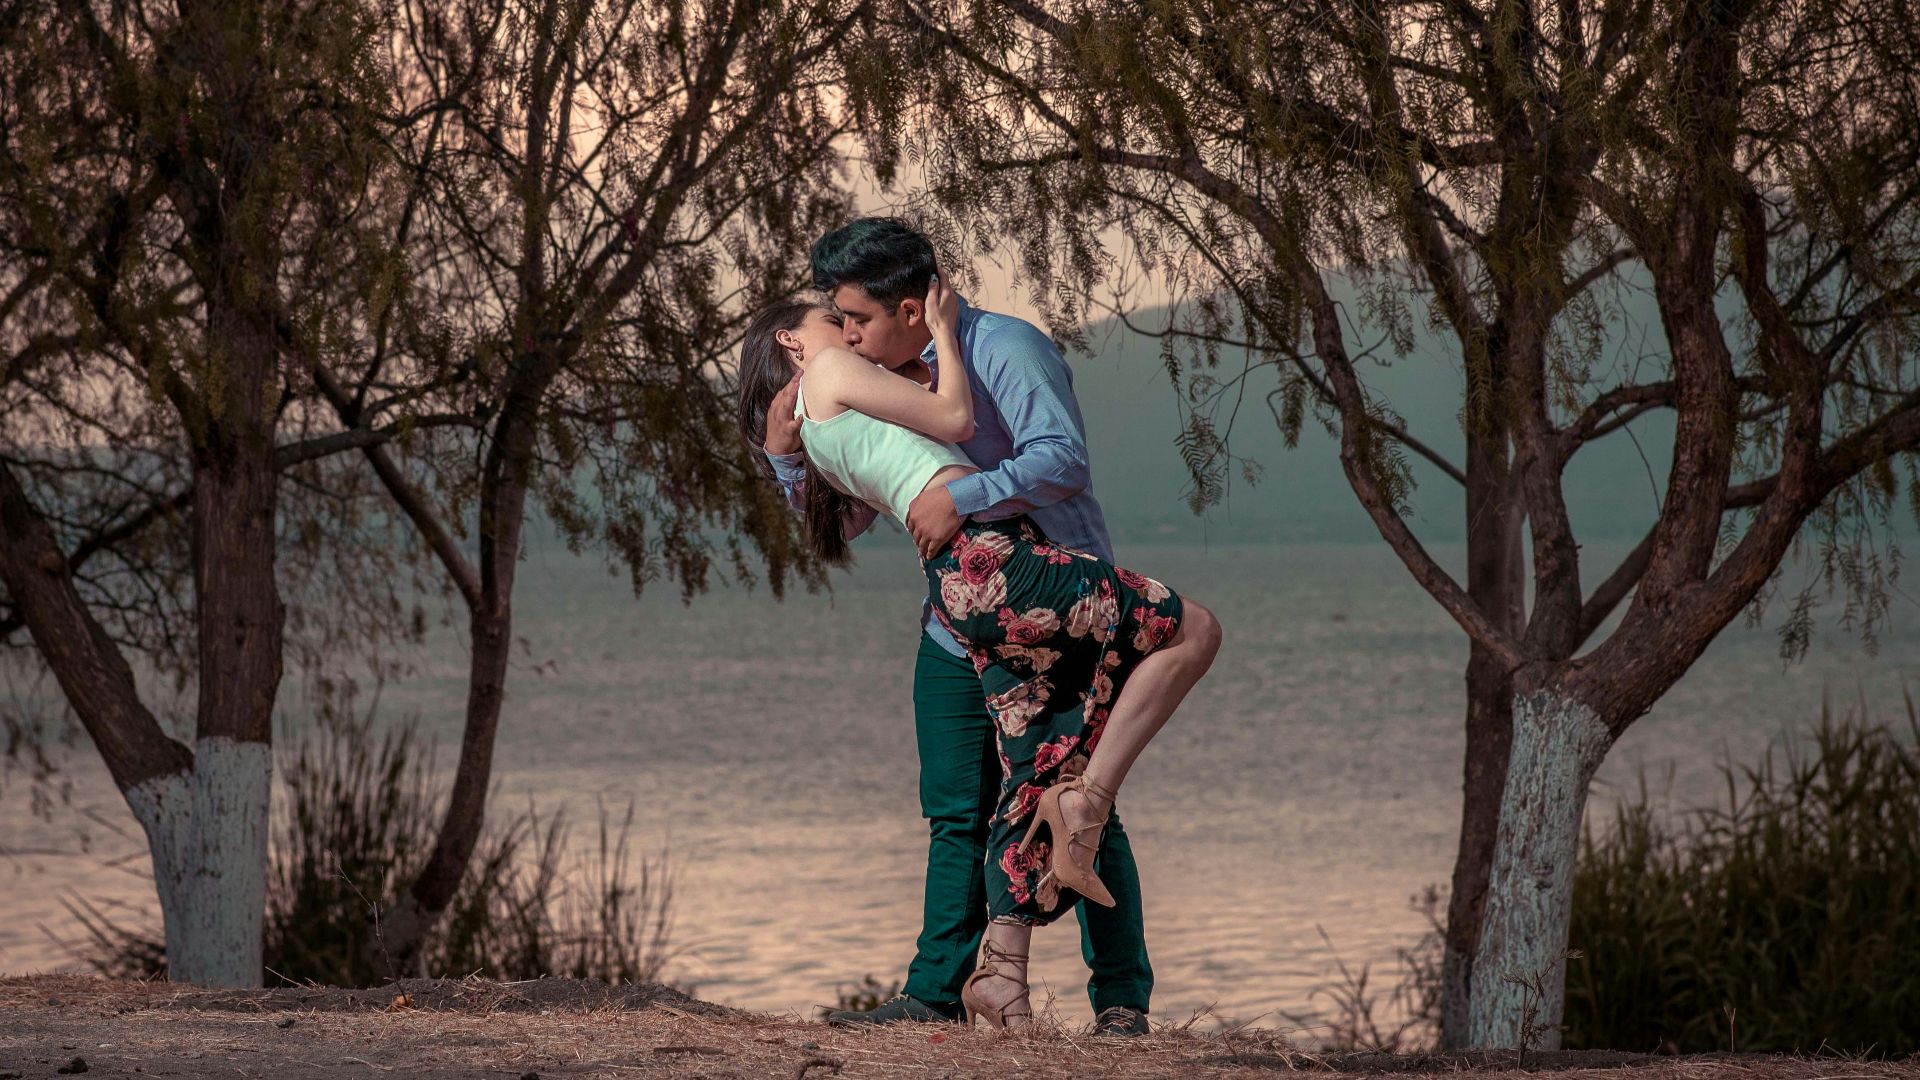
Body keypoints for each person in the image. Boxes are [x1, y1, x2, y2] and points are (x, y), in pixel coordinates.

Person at [736, 234, 1221, 1029]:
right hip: (958, 616)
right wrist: (787, 460)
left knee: (1073, 797)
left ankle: (1121, 1004)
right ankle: (936, 995)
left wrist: (962, 496)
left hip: (1049, 597)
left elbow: (1061, 458)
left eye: (857, 319)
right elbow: (852, 516)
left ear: (909, 308)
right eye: (839, 320)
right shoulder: (875, 371)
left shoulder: (1004, 349)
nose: (849, 336)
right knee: (957, 807)